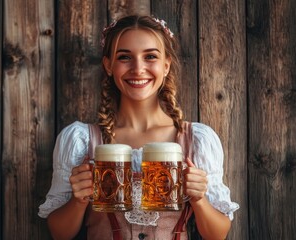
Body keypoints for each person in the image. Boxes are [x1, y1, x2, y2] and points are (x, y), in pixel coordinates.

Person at [38, 15, 239, 240]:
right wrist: (78, 200)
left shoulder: (198, 140)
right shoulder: (80, 140)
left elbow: (217, 235)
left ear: (166, 65)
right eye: (124, 57)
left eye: (150, 56)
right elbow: (59, 234)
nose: (138, 68)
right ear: (108, 66)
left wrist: (199, 199)